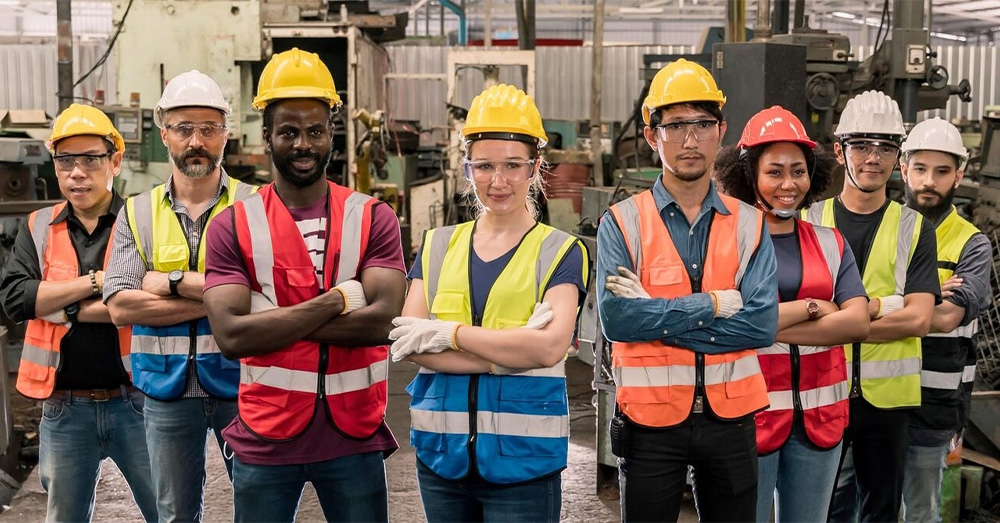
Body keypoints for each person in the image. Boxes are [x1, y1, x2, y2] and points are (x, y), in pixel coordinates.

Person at [201, 48, 405, 523]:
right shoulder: (233, 225)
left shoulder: (373, 217)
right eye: (288, 132)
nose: (303, 144)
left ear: (331, 132)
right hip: (266, 433)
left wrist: (269, 320)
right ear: (267, 135)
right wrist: (339, 299)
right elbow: (231, 336)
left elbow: (384, 321)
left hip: (353, 433)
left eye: (315, 131)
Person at [389, 83, 588, 522]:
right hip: (441, 460)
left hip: (524, 466)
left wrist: (452, 334)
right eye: (484, 166)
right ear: (467, 169)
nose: (498, 181)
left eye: (513, 165)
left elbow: (548, 349)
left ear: (535, 167)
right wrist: (510, 351)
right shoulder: (438, 245)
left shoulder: (560, 251)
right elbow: (411, 342)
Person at [597, 58, 778, 522]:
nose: (690, 139)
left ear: (722, 130)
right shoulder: (621, 222)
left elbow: (760, 326)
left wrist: (655, 319)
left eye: (701, 124)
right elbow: (617, 321)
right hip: (649, 424)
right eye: (675, 125)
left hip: (731, 422)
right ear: (652, 135)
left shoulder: (750, 224)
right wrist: (713, 305)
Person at [104, 70, 256, 522]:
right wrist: (222, 296)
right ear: (164, 132)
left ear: (226, 135)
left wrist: (169, 281)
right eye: (185, 128)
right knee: (174, 514)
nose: (197, 141)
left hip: (243, 386)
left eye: (209, 129)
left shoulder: (255, 206)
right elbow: (119, 306)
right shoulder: (137, 211)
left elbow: (263, 297)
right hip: (165, 391)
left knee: (259, 505)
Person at [0, 104, 157, 522]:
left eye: (90, 159)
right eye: (66, 161)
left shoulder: (144, 223)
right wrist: (97, 283)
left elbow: (150, 303)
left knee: (169, 512)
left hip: (138, 402)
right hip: (64, 410)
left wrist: (59, 306)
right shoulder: (37, 226)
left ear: (115, 161)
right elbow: (17, 299)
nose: (77, 172)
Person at [714, 105, 870, 523]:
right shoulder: (725, 244)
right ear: (750, 176)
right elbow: (728, 325)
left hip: (820, 422)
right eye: (775, 171)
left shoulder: (830, 241)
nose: (789, 184)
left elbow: (857, 322)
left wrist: (761, 323)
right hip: (749, 420)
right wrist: (815, 308)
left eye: (798, 171)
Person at [801, 90, 940, 522]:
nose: (873, 158)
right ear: (841, 152)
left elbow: (919, 317)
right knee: (818, 508)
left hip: (888, 402)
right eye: (862, 145)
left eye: (886, 147)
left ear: (898, 157)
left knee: (881, 511)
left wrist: (839, 319)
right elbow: (792, 307)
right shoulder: (809, 221)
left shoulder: (914, 227)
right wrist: (882, 308)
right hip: (820, 390)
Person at [897, 118, 992, 522]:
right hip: (871, 397)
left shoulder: (972, 243)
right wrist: (928, 302)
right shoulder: (885, 231)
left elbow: (948, 317)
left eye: (941, 171)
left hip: (934, 403)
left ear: (960, 175)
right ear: (904, 169)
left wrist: (880, 304)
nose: (928, 181)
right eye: (920, 169)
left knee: (920, 512)